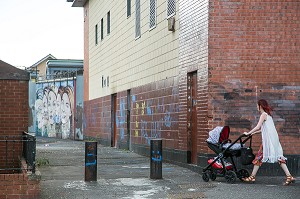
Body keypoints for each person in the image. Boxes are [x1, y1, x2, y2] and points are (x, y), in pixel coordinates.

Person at [242, 99, 296, 186]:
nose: (256, 107)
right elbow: (263, 129)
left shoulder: (263, 115)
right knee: (279, 157)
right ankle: (289, 176)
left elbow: (258, 126)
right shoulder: (269, 116)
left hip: (268, 142)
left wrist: (248, 133)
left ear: (260, 106)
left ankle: (252, 177)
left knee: (258, 158)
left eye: (257, 105)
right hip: (274, 141)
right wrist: (253, 133)